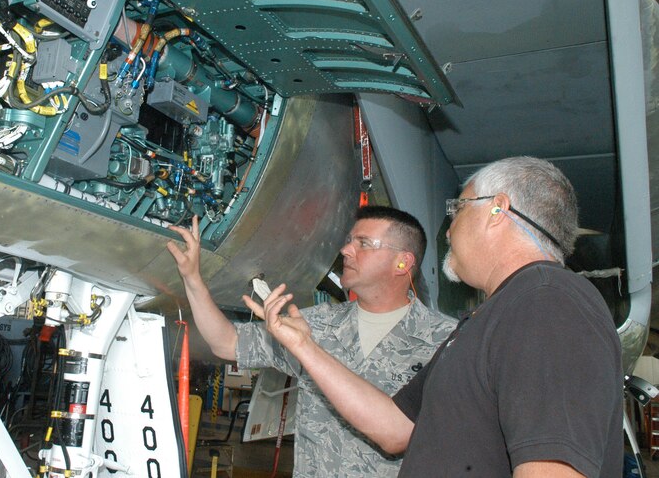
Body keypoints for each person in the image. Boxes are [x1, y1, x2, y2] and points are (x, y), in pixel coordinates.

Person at [249, 156, 623, 478]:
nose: (450, 228)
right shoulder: (489, 319)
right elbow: (394, 429)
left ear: (497, 210)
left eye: (459, 209)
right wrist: (303, 345)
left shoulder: (547, 302)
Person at [167, 206, 456, 477]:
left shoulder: (445, 342)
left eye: (364, 243)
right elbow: (227, 342)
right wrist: (192, 279)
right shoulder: (317, 324)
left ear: (403, 262)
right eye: (349, 240)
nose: (345, 250)